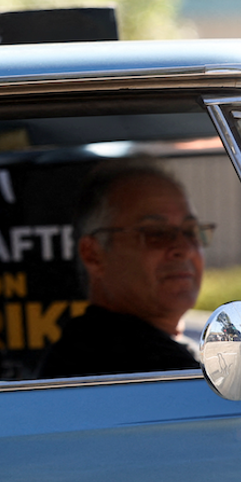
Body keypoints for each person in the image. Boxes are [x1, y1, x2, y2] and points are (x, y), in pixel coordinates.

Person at [37, 158, 213, 378]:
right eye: (155, 233)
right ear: (93, 255)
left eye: (191, 231)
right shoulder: (121, 365)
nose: (184, 249)